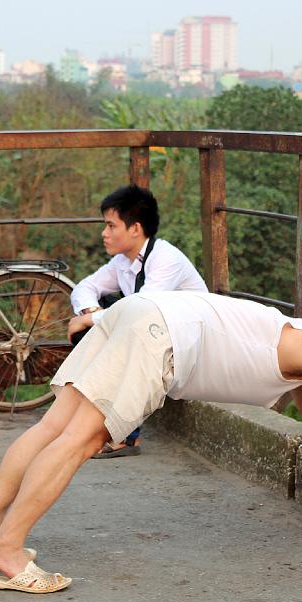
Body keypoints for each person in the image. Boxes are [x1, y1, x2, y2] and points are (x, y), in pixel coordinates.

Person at [0, 291, 302, 593]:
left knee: (51, 428)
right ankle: (8, 545)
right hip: (161, 334)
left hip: (141, 313)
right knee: (81, 440)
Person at [69, 185, 207, 458]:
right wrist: (90, 312)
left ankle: (124, 436)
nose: (104, 234)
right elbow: (84, 288)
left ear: (135, 228)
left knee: (112, 331)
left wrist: (90, 320)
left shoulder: (165, 258)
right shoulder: (122, 261)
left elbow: (143, 310)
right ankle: (98, 423)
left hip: (188, 346)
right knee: (97, 330)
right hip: (157, 337)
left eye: (111, 226)